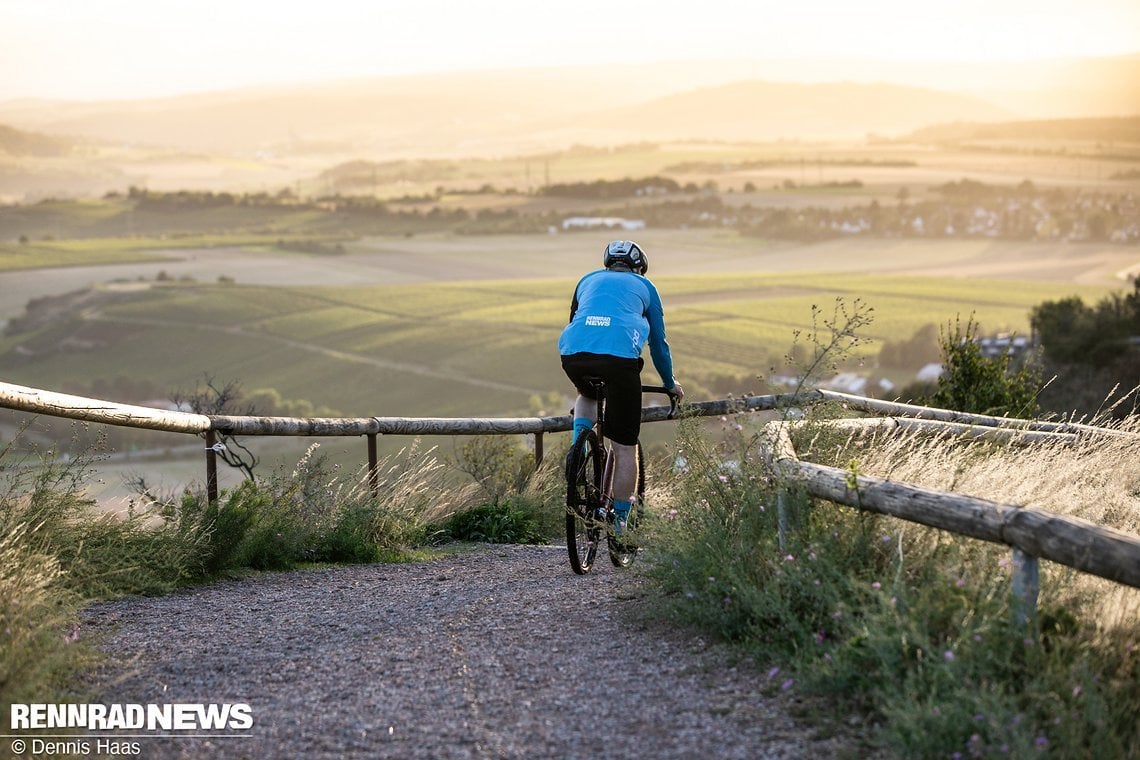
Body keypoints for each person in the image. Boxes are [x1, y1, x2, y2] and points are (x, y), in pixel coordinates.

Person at [558, 240, 683, 537]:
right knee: (625, 446)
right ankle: (621, 525)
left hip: (573, 353)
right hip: (620, 361)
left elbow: (576, 320)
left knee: (587, 393)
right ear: (638, 267)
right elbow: (659, 345)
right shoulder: (645, 286)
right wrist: (669, 383)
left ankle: (578, 449)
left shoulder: (587, 280)